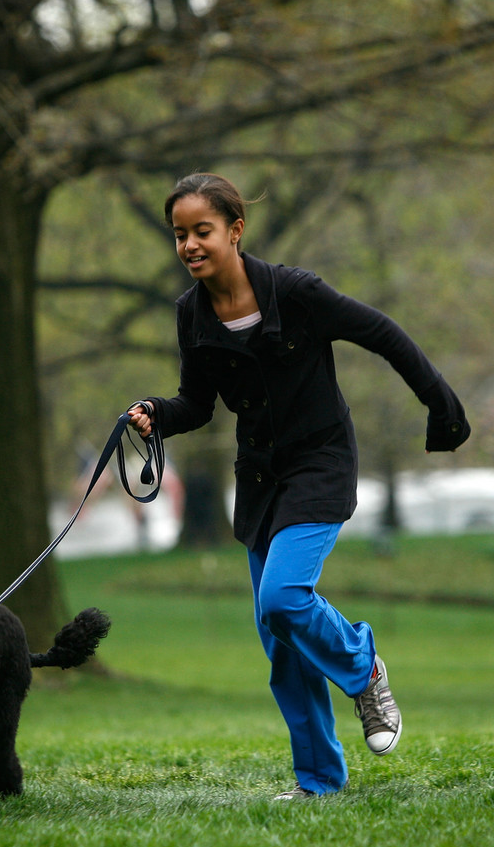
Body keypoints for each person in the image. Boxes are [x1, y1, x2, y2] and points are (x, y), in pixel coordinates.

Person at [127, 172, 471, 800]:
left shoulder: (296, 293)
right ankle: (319, 783)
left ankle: (363, 664)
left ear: (234, 229)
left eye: (201, 231)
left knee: (283, 600)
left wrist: (441, 407)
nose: (189, 246)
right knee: (282, 646)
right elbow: (197, 405)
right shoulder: (191, 314)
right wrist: (155, 412)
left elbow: (384, 334)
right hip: (260, 479)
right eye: (179, 235)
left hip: (320, 464)